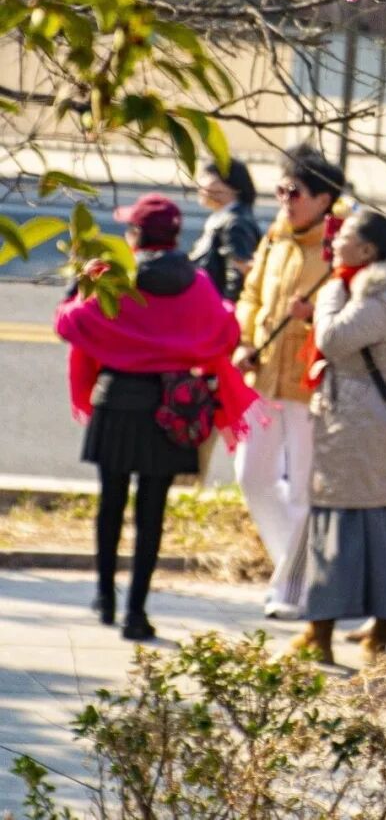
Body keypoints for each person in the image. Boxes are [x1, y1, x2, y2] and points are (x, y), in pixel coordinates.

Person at [54, 194, 258, 642]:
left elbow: (69, 324)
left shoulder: (114, 279)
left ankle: (104, 598)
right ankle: (136, 613)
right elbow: (227, 334)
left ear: (137, 236)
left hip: (117, 400)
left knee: (111, 503)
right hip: (172, 410)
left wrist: (79, 283)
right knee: (152, 511)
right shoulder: (199, 284)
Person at [289, 210, 386, 666]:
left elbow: (332, 339)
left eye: (343, 237)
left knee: (349, 523)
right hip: (363, 424)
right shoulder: (379, 291)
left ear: (367, 251)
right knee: (368, 522)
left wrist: (329, 294)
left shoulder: (377, 297)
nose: (333, 241)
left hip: (361, 427)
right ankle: (338, 630)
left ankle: (345, 633)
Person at [234, 143, 345, 618]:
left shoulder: (338, 246)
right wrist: (243, 340)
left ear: (323, 199)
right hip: (263, 380)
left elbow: (345, 312)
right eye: (280, 189)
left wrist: (309, 318)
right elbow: (252, 294)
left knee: (302, 490)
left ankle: (293, 590)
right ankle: (294, 565)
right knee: (252, 477)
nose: (285, 198)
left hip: (308, 386)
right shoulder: (276, 236)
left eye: (294, 190)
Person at [190, 156, 261, 301]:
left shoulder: (235, 224)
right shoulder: (221, 219)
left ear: (232, 186)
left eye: (208, 177)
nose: (201, 185)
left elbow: (238, 275)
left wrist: (226, 311)